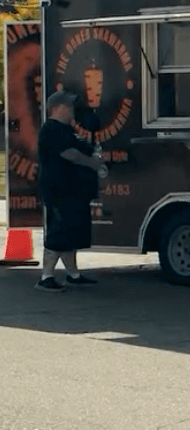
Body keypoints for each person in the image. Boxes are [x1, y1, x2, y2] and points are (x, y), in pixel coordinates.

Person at [35, 90, 106, 292]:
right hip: (59, 190)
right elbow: (70, 154)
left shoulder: (68, 130)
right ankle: (46, 276)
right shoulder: (51, 129)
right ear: (56, 108)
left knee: (71, 233)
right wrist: (92, 163)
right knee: (59, 231)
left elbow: (80, 148)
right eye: (68, 106)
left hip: (74, 190)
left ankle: (73, 274)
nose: (72, 110)